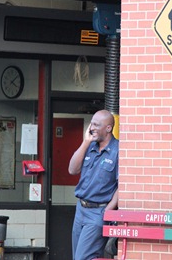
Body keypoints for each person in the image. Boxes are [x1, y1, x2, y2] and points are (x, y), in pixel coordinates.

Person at [69, 109, 119, 260]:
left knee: (82, 258)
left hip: (98, 211)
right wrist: (85, 142)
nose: (92, 128)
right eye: (92, 124)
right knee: (77, 257)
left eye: (96, 125)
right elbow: (72, 169)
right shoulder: (90, 146)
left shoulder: (118, 150)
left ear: (108, 128)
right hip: (81, 210)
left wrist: (108, 209)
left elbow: (122, 185)